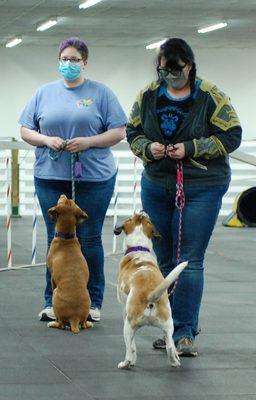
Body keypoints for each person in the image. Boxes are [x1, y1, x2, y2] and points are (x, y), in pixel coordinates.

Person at [126, 38, 242, 356]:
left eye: (175, 70)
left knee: (189, 261)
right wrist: (147, 149)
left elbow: (232, 135)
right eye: (163, 70)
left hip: (203, 184)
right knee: (163, 260)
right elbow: (132, 132)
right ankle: (169, 325)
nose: (168, 76)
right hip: (158, 183)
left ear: (188, 65)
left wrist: (191, 148)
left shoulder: (210, 97)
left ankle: (185, 332)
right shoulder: (148, 96)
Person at [19, 37, 127, 322]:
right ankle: (51, 301)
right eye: (64, 59)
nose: (68, 64)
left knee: (89, 238)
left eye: (74, 59)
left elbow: (118, 132)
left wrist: (90, 142)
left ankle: (92, 302)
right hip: (50, 175)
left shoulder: (102, 94)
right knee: (56, 239)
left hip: (94, 177)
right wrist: (46, 139)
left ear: (85, 62)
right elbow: (25, 130)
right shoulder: (43, 93)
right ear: (58, 61)